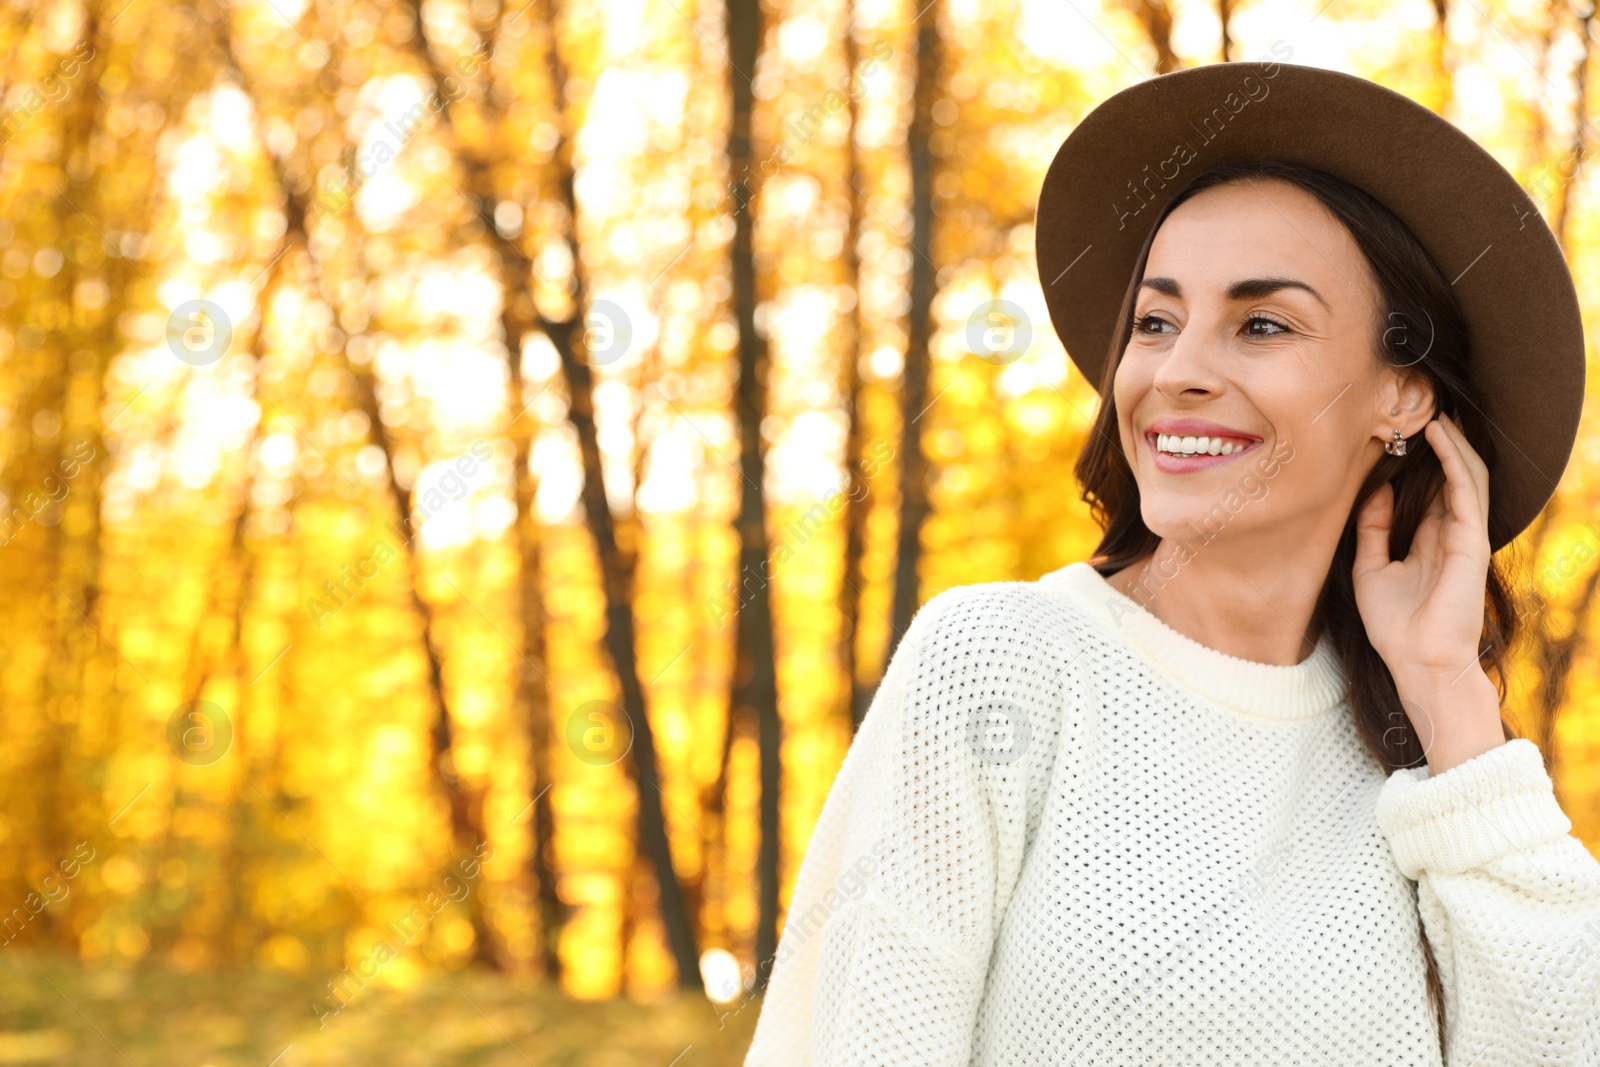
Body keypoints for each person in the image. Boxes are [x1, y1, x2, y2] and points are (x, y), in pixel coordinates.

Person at [741, 62, 1600, 1065]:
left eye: (1261, 324)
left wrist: (1449, 690)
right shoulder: (999, 662)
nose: (1177, 368)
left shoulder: (1422, 762)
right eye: (1155, 320)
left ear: (1401, 397)